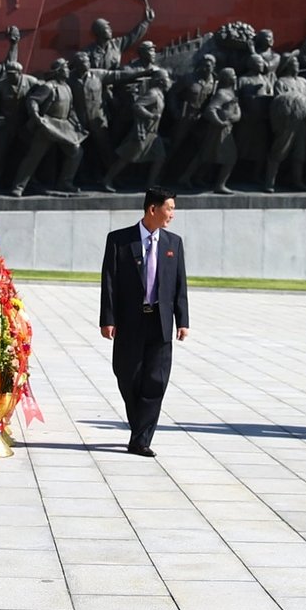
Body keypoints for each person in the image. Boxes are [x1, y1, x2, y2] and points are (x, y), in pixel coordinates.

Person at [98, 188, 190, 457]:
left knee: (156, 381)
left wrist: (182, 321)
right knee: (127, 376)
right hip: (129, 322)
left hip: (160, 322)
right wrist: (108, 318)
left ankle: (141, 439)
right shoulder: (119, 240)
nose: (172, 214)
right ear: (153, 209)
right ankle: (139, 429)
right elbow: (109, 283)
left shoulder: (174, 243)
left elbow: (180, 285)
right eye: (169, 208)